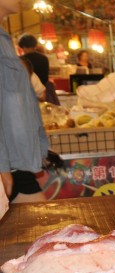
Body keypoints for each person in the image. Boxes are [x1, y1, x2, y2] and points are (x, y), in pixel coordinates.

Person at [1, 0, 50, 203]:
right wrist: (2, 166)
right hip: (9, 162)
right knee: (41, 227)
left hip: (14, 160)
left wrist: (38, 147)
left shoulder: (4, 38)